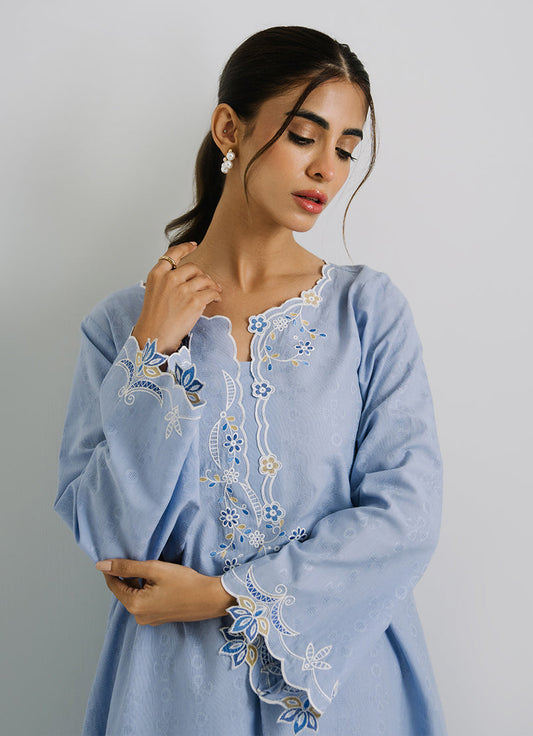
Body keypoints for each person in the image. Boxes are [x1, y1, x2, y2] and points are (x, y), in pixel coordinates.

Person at [55, 25, 447, 736]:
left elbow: (406, 517)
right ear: (228, 128)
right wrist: (153, 353)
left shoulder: (366, 312)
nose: (327, 169)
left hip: (342, 693)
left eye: (345, 149)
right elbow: (111, 539)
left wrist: (225, 595)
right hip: (177, 699)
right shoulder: (120, 327)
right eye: (304, 137)